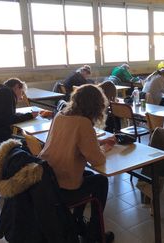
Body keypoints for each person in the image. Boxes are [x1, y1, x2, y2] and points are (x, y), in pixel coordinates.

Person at [39, 84, 115, 243]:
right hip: (64, 186)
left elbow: (72, 140)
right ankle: (95, 234)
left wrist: (97, 141)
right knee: (101, 181)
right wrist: (105, 147)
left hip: (47, 179)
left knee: (88, 176)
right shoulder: (84, 123)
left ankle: (76, 221)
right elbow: (97, 160)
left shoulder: (60, 115)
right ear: (96, 106)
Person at [0, 78, 38, 191]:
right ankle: (23, 184)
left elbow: (6, 115)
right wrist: (30, 116)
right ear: (16, 86)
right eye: (21, 92)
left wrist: (25, 114)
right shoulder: (6, 93)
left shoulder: (0, 92)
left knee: (24, 140)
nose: (21, 97)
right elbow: (9, 118)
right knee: (28, 144)